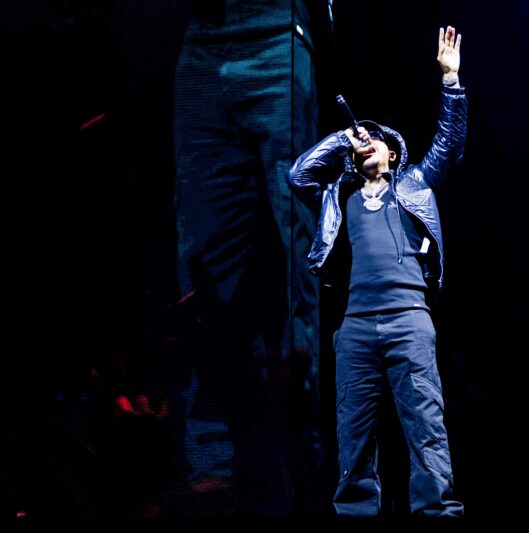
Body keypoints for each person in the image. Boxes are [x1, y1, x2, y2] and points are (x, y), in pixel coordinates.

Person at [287, 26, 466, 516]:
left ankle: (437, 513)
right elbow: (298, 174)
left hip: (409, 319)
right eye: (361, 143)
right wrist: (342, 138)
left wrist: (450, 81)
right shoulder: (337, 198)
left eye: (377, 139)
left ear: (393, 153)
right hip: (356, 328)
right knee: (354, 435)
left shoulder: (415, 185)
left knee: (426, 428)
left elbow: (449, 142)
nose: (368, 143)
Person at [173, 0, 324, 514]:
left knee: (299, 256)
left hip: (275, 31)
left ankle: (304, 452)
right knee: (204, 259)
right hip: (202, 39)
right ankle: (213, 462)